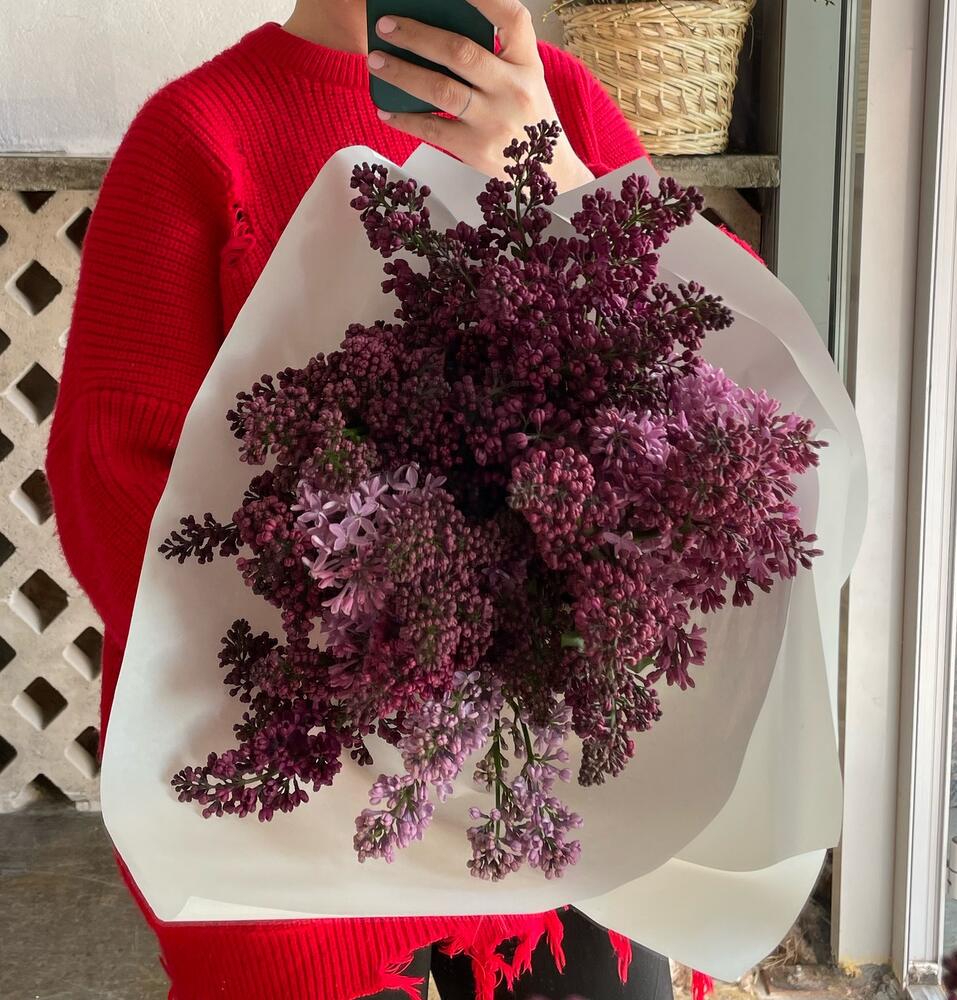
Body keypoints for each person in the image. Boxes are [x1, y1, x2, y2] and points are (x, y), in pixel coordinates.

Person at [46, 1, 673, 997]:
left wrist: (559, 175)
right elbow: (112, 484)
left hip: (541, 758)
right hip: (292, 768)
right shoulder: (200, 136)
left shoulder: (558, 101)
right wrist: (369, 649)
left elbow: (711, 370)